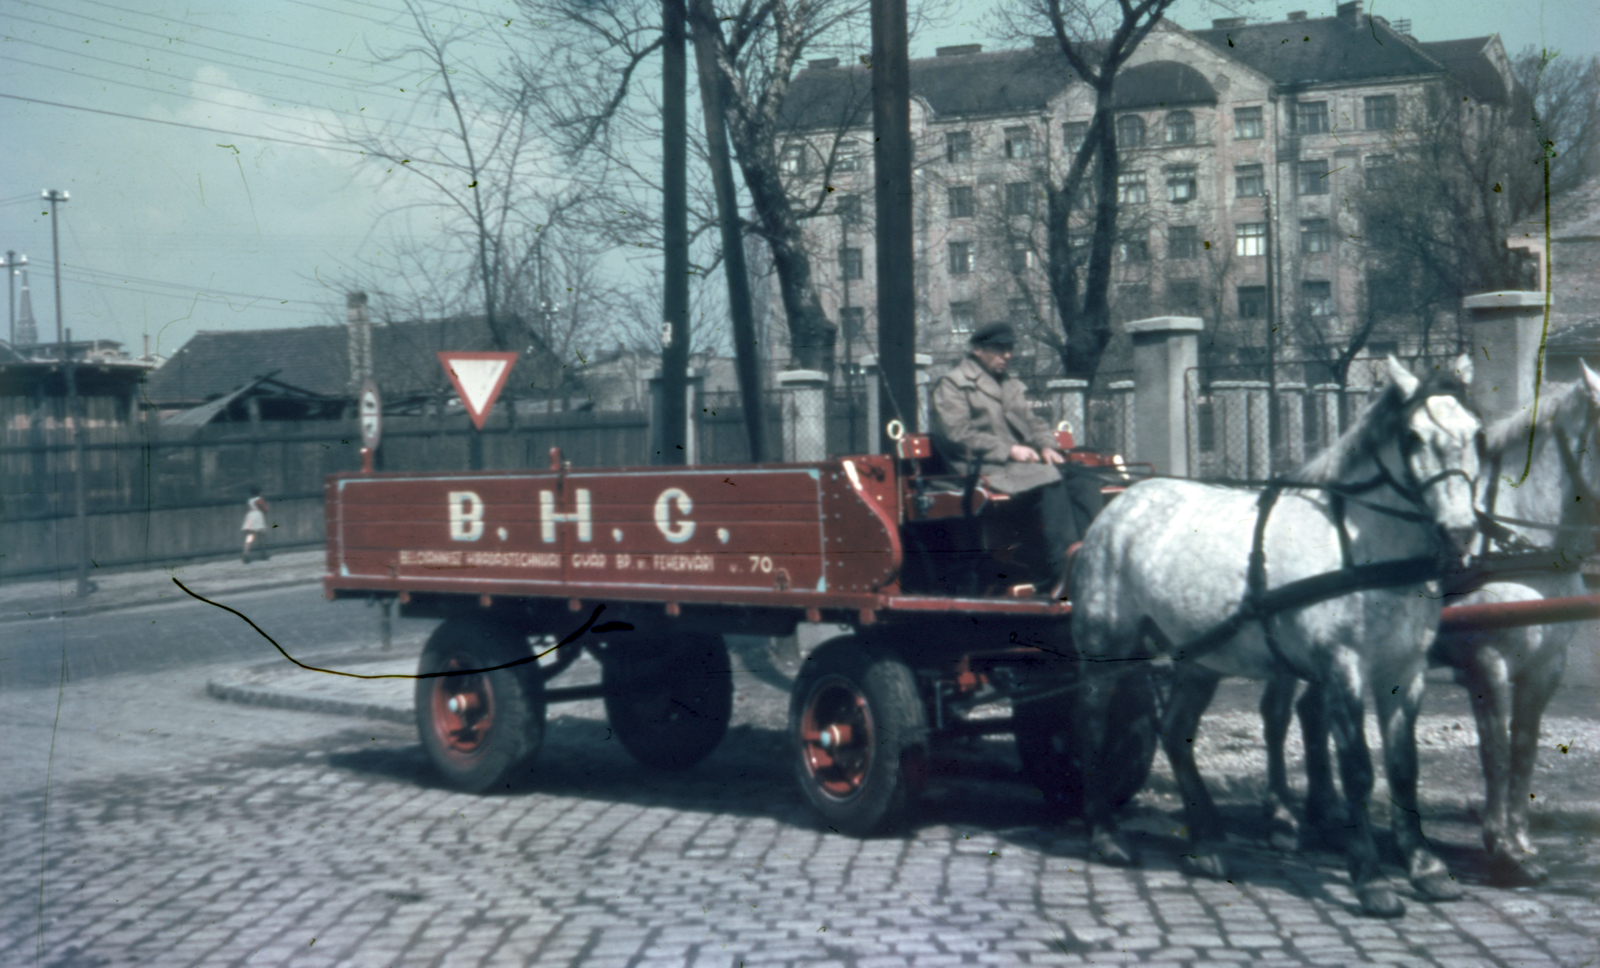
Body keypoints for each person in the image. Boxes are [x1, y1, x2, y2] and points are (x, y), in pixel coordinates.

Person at [930, 322, 1103, 597]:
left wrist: (1047, 446)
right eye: (999, 348)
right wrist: (1009, 450)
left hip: (1015, 465)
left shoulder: (1009, 384)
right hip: (981, 466)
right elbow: (956, 434)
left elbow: (1033, 422)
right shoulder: (953, 384)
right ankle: (1060, 573)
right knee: (1050, 480)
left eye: (1009, 348)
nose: (1007, 355)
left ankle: (1097, 559)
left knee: (1082, 477)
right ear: (977, 350)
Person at [241, 486, 270, 564]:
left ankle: (246, 553)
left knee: (250, 536)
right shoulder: (260, 500)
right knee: (261, 535)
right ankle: (263, 553)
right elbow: (266, 509)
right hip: (258, 516)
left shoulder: (249, 500)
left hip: (250, 516)